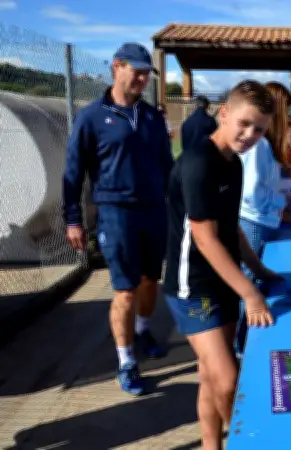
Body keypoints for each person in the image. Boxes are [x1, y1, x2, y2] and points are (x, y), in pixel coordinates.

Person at [162, 80, 277, 449]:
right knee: (228, 381)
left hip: (222, 284)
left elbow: (231, 229)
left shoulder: (235, 164)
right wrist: (251, 294)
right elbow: (205, 238)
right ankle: (248, 441)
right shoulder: (199, 163)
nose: (250, 134)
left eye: (259, 129)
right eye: (244, 123)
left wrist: (259, 271)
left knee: (211, 378)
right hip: (192, 288)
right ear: (223, 113)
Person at [62, 42, 174, 395]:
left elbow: (167, 168)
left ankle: (142, 330)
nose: (142, 77)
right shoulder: (92, 117)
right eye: (136, 70)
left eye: (146, 72)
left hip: (153, 211)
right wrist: (73, 219)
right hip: (116, 213)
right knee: (125, 289)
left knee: (149, 282)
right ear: (116, 67)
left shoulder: (153, 118)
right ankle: (126, 361)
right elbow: (73, 172)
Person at [234, 81, 291, 358]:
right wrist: (279, 203)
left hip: (259, 221)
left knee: (256, 280)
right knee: (251, 282)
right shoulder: (260, 147)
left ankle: (243, 344)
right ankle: (242, 347)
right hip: (254, 222)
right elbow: (253, 192)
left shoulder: (265, 146)